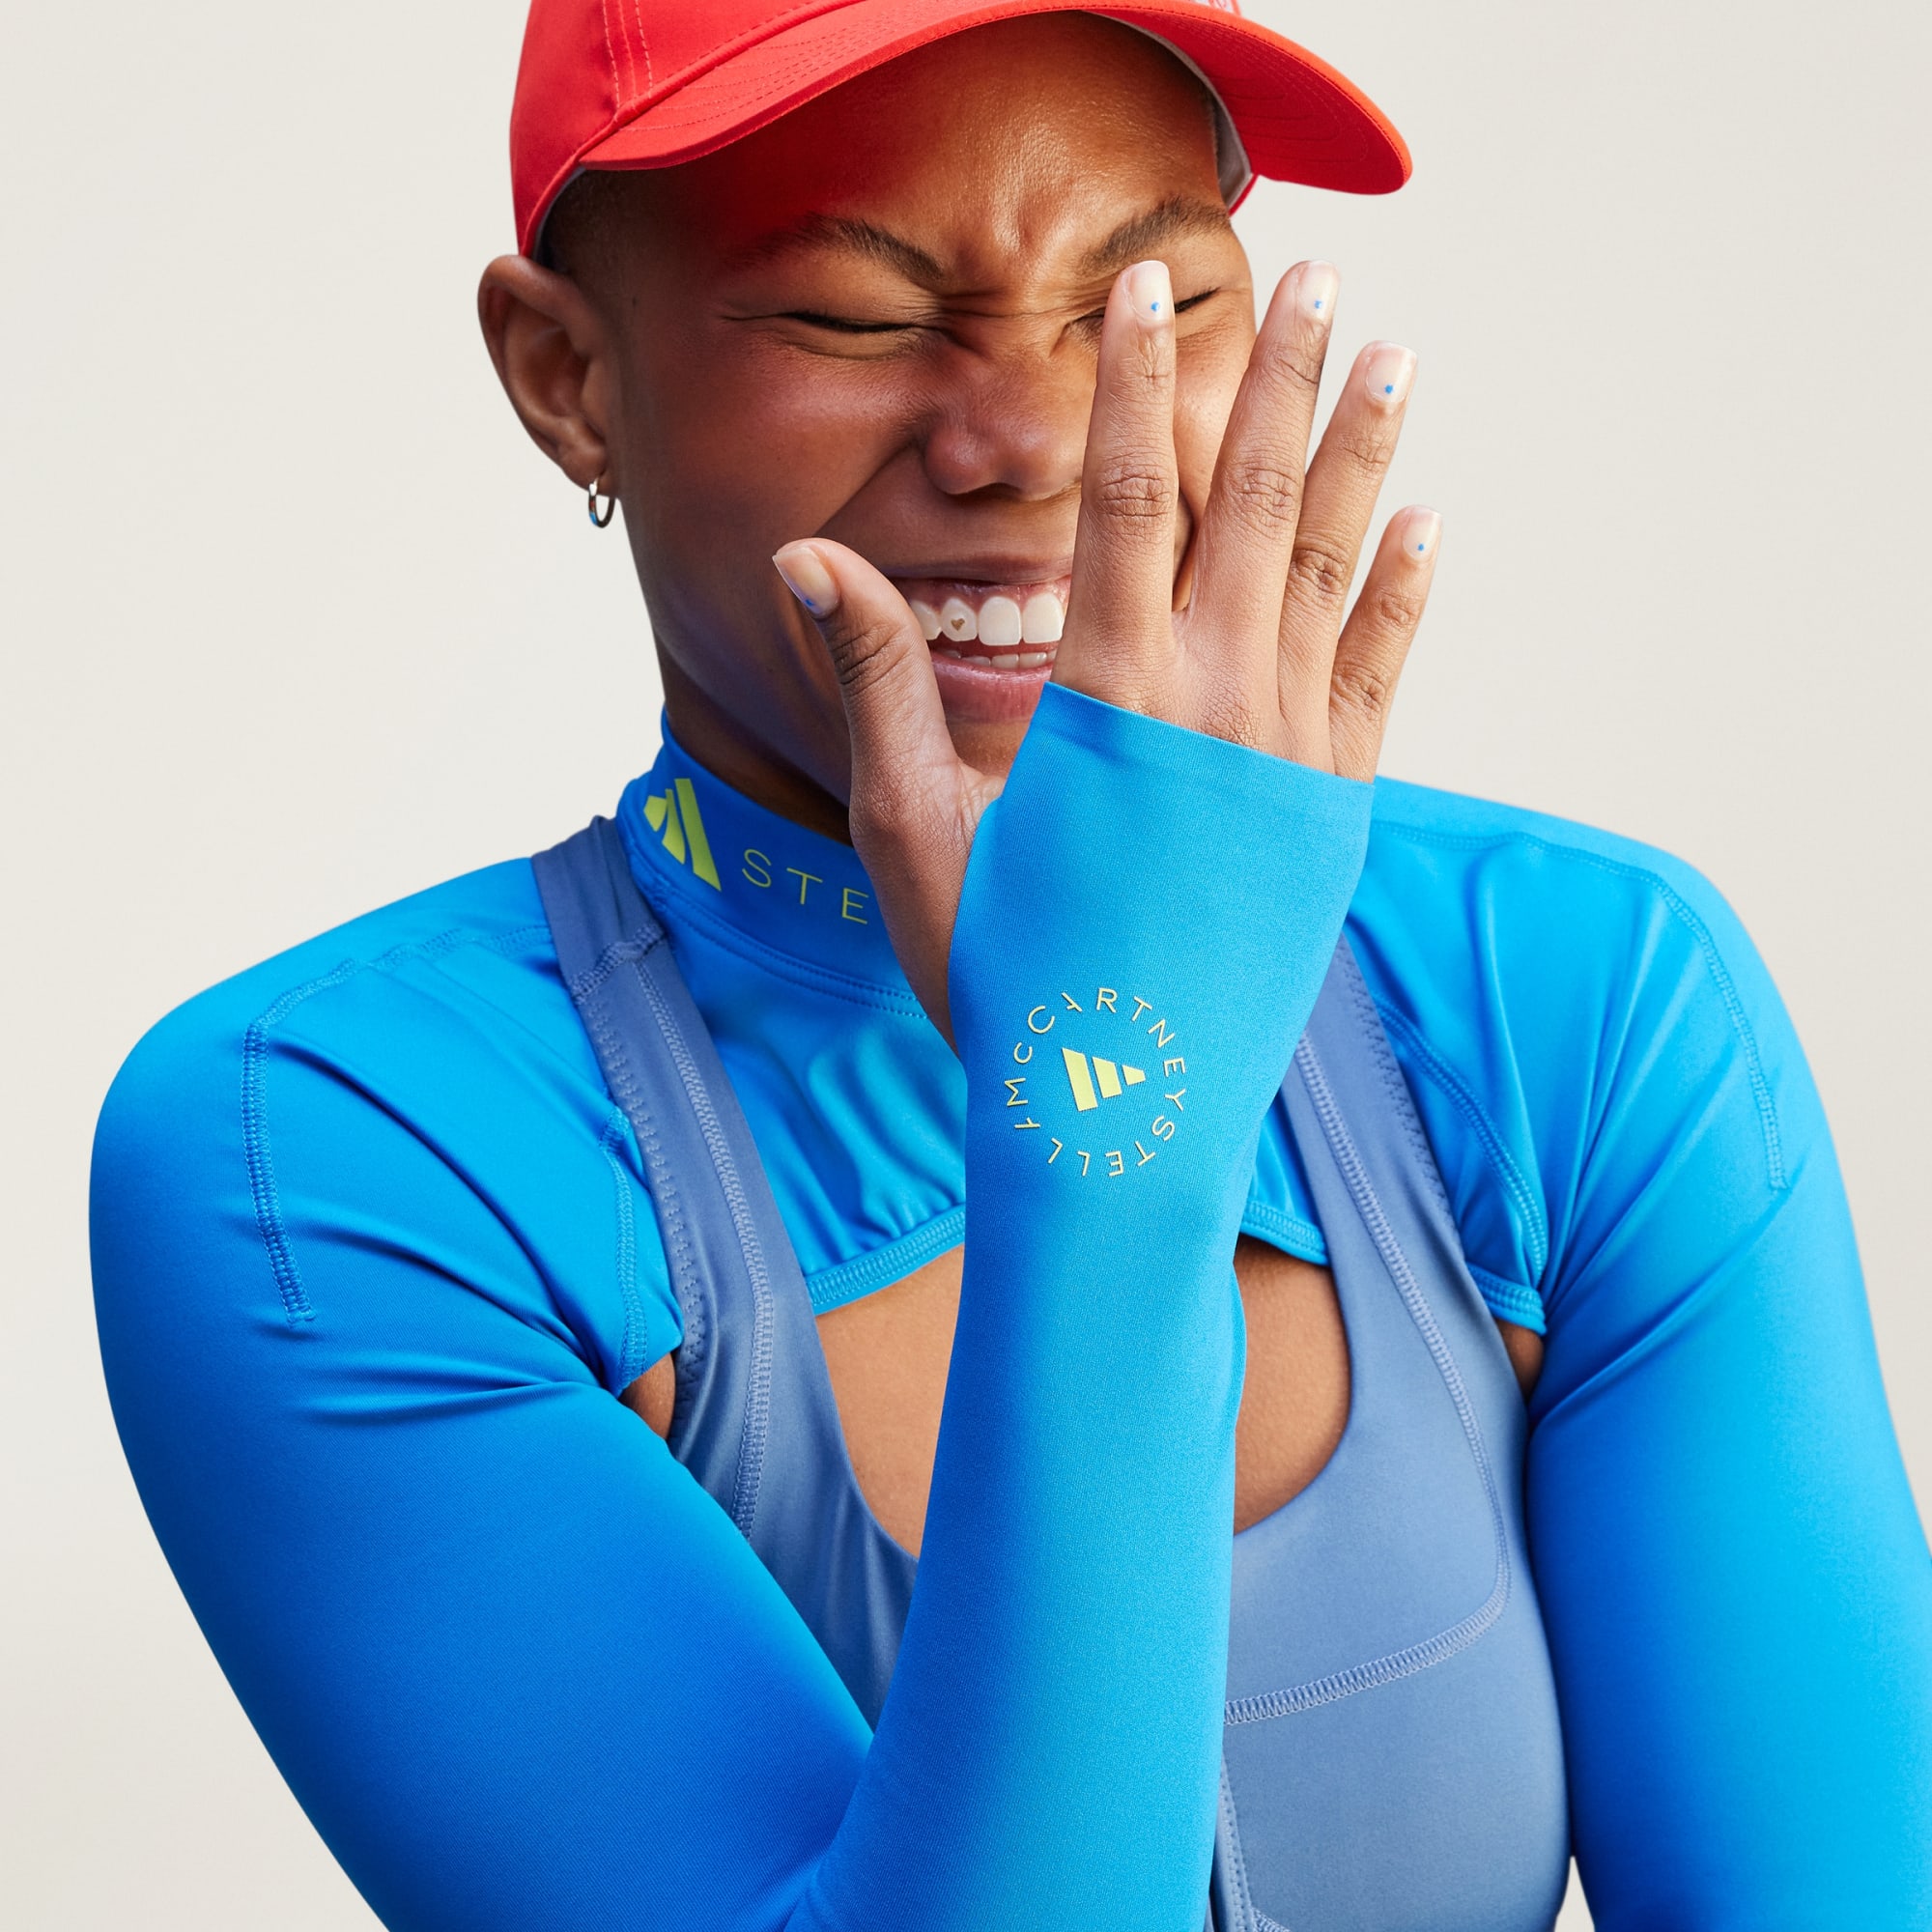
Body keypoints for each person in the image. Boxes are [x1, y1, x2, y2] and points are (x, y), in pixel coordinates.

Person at [89, 3, 1932, 1928]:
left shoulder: (1573, 1000)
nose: (1042, 443)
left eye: (1157, 301)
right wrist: (1112, 1106)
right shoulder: (340, 1150)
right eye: (858, 317)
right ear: (568, 376)